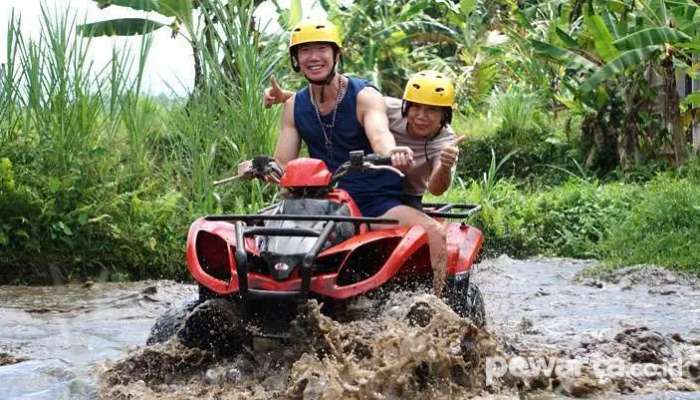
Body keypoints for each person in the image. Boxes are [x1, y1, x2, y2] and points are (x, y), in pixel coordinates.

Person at [242, 19, 450, 296]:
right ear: (296, 59)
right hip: (322, 204)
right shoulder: (293, 106)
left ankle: (443, 307)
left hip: (375, 202)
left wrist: (391, 152)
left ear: (336, 55)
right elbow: (283, 167)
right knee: (253, 241)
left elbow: (379, 134)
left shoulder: (365, 96)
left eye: (321, 49)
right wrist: (254, 167)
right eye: (305, 51)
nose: (313, 57)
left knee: (434, 233)